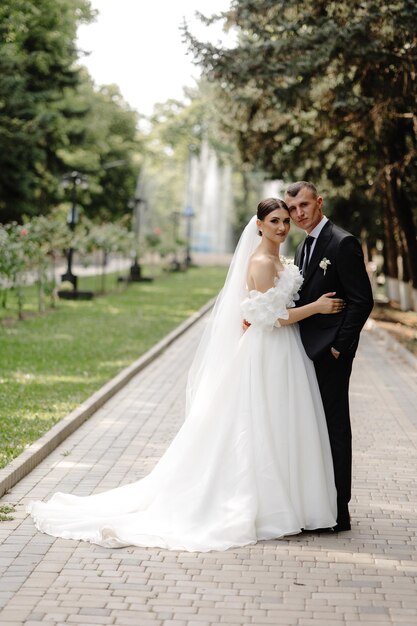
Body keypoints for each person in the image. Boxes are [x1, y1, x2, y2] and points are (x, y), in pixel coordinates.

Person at [28, 198, 344, 552]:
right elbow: (269, 317)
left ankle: (290, 502)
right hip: (268, 349)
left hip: (282, 351)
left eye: (286, 221)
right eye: (275, 221)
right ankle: (267, 506)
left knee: (281, 424)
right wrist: (315, 308)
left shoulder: (277, 259)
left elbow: (261, 308)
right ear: (259, 225)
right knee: (260, 424)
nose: (283, 228)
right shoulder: (260, 261)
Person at [284, 182, 374, 532]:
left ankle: (340, 509)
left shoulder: (341, 242)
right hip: (304, 352)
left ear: (319, 202)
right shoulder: (304, 246)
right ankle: (316, 502)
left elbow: (362, 300)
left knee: (334, 428)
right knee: (313, 427)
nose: (299, 214)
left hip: (330, 354)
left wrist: (340, 346)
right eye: (292, 210)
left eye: (305, 205)